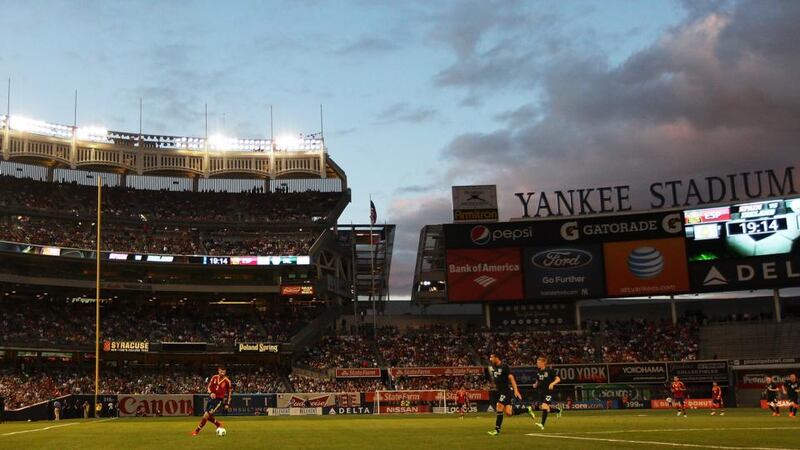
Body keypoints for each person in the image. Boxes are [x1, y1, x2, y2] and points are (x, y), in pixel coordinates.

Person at [487, 353, 524, 436]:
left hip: (505, 391)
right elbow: (498, 380)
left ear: (497, 358)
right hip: (500, 391)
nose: (490, 359)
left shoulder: (504, 366)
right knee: (508, 413)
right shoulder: (494, 368)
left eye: (491, 357)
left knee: (499, 406)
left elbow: (512, 379)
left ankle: (497, 430)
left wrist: (516, 390)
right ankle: (527, 409)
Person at [192, 366, 232, 436]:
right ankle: (218, 424)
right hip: (211, 399)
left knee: (206, 415)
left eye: (223, 371)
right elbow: (209, 387)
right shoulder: (214, 377)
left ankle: (197, 431)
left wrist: (227, 403)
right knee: (208, 416)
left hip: (218, 400)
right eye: (221, 371)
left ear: (225, 372)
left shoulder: (227, 381)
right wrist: (211, 393)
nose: (222, 373)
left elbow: (229, 393)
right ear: (218, 371)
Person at [529, 356, 562, 431]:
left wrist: (552, 383)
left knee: (544, 406)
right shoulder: (538, 372)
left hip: (549, 392)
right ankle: (558, 410)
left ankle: (542, 424)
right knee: (547, 409)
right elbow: (537, 382)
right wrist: (535, 385)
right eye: (537, 363)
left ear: (543, 363)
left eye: (538, 363)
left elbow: (558, 379)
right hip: (542, 392)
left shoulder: (549, 371)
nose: (537, 364)